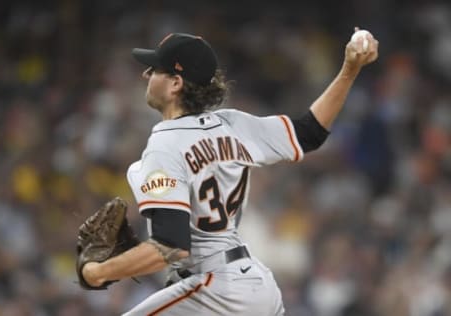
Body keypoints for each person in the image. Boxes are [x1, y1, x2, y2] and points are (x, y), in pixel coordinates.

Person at [81, 29, 379, 315]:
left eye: (155, 69)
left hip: (217, 291)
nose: (146, 75)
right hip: (255, 284)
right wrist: (349, 71)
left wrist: (99, 272)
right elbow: (310, 132)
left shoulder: (164, 146)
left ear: (175, 83)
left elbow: (170, 246)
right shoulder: (233, 124)